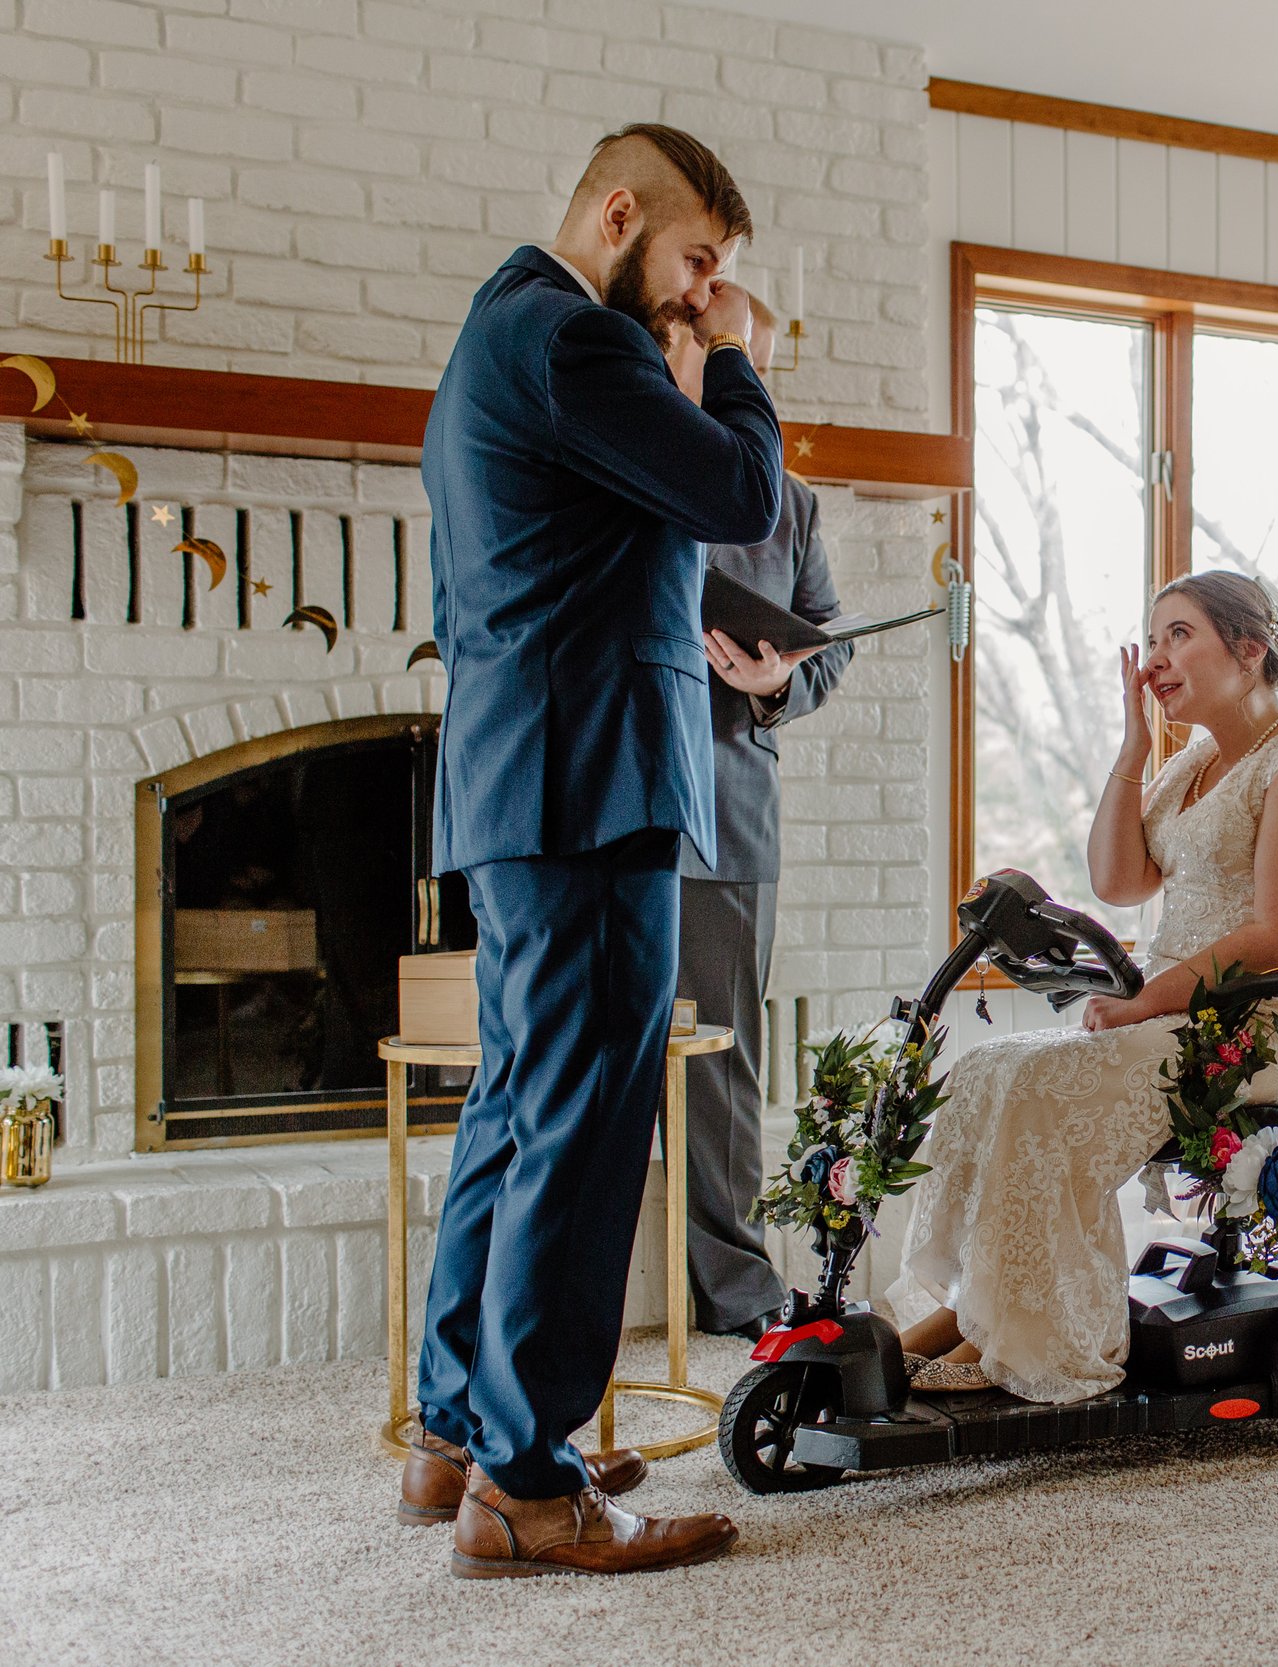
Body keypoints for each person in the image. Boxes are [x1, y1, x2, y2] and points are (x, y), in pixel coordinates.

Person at [408, 123, 777, 1578]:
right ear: (619, 214)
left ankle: (460, 1426)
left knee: (517, 1101)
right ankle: (527, 1481)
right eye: (695, 262)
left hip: (523, 779)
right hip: (590, 779)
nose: (699, 294)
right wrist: (736, 359)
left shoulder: (496, 332)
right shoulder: (575, 336)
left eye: (716, 284)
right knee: (585, 1117)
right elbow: (743, 499)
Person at [892, 572, 1278, 1400]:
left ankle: (1044, 1338)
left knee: (1040, 1089)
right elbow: (1118, 878)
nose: (1156, 659)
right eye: (1155, 637)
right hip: (1177, 1011)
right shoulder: (1197, 761)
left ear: (1249, 651)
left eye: (1180, 634)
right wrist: (1135, 748)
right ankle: (980, 1314)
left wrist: (1148, 999)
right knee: (988, 1069)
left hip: (1259, 1024)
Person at [658, 303, 851, 1342]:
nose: (749, 391)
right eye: (729, 362)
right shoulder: (621, 465)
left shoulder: (794, 506)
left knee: (721, 1069)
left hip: (731, 815)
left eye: (759, 371)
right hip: (616, 808)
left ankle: (732, 1289)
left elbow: (834, 649)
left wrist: (780, 681)